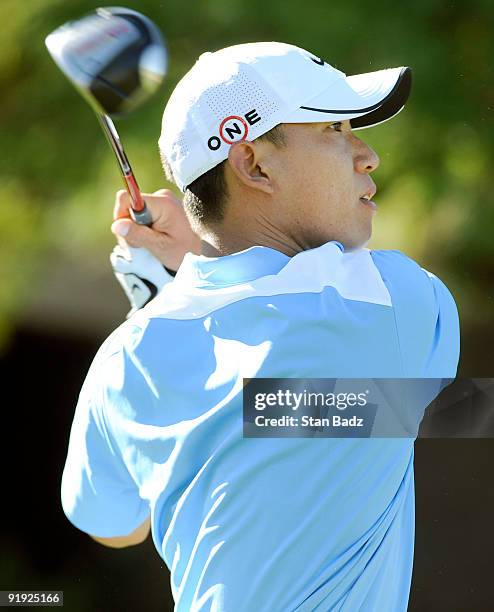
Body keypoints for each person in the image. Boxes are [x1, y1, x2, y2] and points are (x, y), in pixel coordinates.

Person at [61, 42, 460, 611]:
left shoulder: (127, 357)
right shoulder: (392, 302)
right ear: (253, 163)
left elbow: (116, 525)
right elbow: (431, 408)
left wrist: (167, 296)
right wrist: (185, 270)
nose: (367, 154)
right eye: (335, 130)